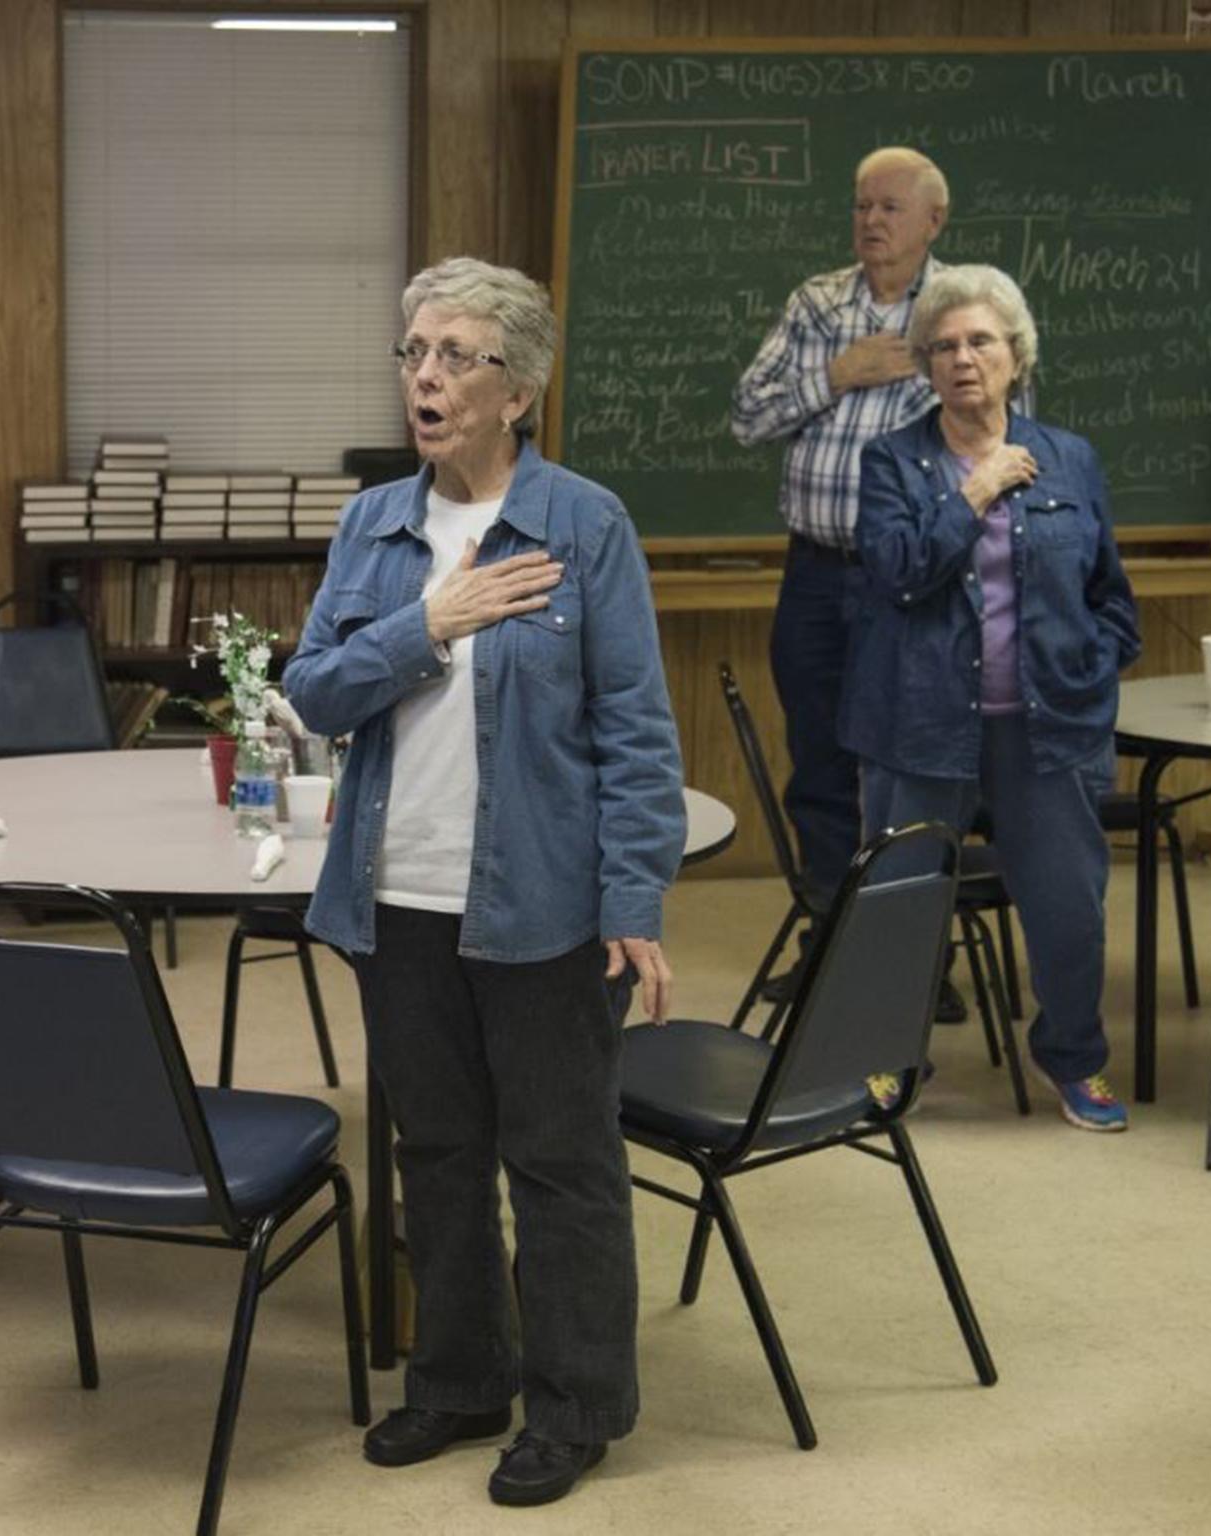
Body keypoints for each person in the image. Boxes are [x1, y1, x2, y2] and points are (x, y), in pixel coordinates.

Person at [284, 257, 685, 1507]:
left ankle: (574, 1408)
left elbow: (634, 731)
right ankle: (458, 1381)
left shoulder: (584, 525)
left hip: (543, 905)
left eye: (456, 355)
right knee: (439, 1149)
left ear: (518, 390)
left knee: (559, 1159)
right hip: (393, 895)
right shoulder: (372, 525)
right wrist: (429, 624)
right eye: (413, 352)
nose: (425, 376)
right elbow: (311, 693)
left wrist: (632, 903)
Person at [842, 264, 1141, 1131]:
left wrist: (1093, 667)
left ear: (1016, 354)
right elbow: (895, 573)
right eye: (943, 346)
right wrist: (973, 493)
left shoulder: (1070, 457)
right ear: (924, 365)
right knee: (898, 910)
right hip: (918, 725)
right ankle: (887, 1064)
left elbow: (1109, 593)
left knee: (1070, 910)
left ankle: (1076, 1061)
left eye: (980, 341)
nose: (963, 359)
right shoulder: (894, 461)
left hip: (1048, 728)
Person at [731, 146, 952, 1001]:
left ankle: (913, 966)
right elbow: (749, 415)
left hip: (914, 583)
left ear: (933, 220)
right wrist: (836, 375)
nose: (870, 221)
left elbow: (997, 431)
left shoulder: (960, 310)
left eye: (890, 207)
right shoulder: (819, 305)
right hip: (817, 575)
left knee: (905, 773)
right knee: (819, 768)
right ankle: (831, 955)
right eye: (862, 205)